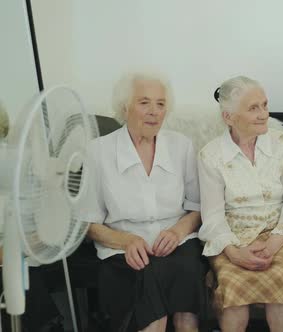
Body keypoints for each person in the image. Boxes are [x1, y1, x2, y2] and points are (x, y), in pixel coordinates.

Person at [79, 71, 206, 332]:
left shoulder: (182, 146)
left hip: (176, 243)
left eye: (160, 104)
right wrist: (125, 240)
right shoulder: (98, 151)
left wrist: (177, 231)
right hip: (122, 248)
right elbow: (88, 224)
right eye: (144, 102)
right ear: (125, 107)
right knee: (150, 307)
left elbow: (197, 208)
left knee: (186, 295)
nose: (154, 111)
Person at [197, 76, 283, 332]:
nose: (263, 114)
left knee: (280, 277)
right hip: (232, 238)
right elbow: (212, 217)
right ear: (228, 117)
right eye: (253, 108)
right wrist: (235, 252)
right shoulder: (210, 156)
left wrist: (273, 244)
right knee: (233, 285)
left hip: (281, 233)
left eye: (265, 105)